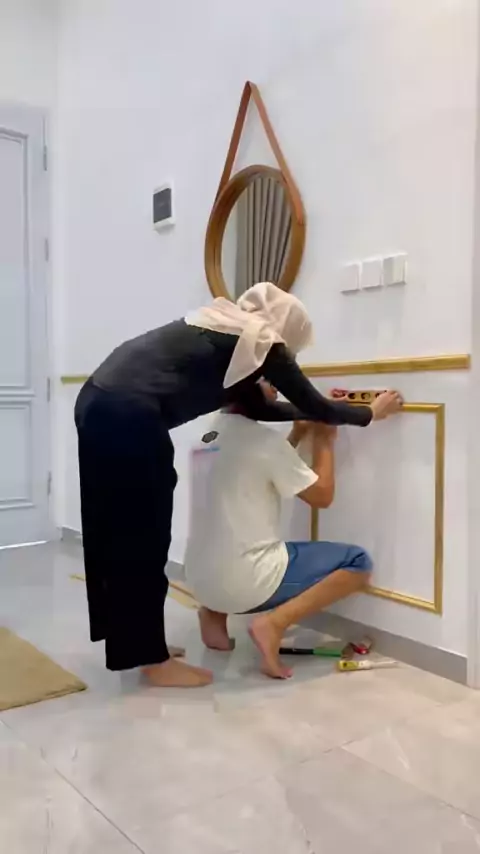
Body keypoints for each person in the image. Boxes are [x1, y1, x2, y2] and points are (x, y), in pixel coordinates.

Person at [74, 282, 402, 688]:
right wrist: (369, 413)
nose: (287, 362)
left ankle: (139, 646)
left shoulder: (225, 330)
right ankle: (151, 660)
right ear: (286, 330)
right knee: (143, 536)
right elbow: (313, 404)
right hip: (127, 415)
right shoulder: (262, 342)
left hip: (100, 404)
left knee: (117, 531)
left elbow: (264, 407)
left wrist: (311, 417)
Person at [185, 380, 396, 679]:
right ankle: (272, 625)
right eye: (269, 383)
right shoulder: (262, 441)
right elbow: (322, 496)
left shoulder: (208, 434)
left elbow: (259, 466)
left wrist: (297, 433)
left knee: (224, 541)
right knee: (357, 562)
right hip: (243, 582)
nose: (276, 390)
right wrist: (324, 440)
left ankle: (212, 615)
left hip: (198, 579)